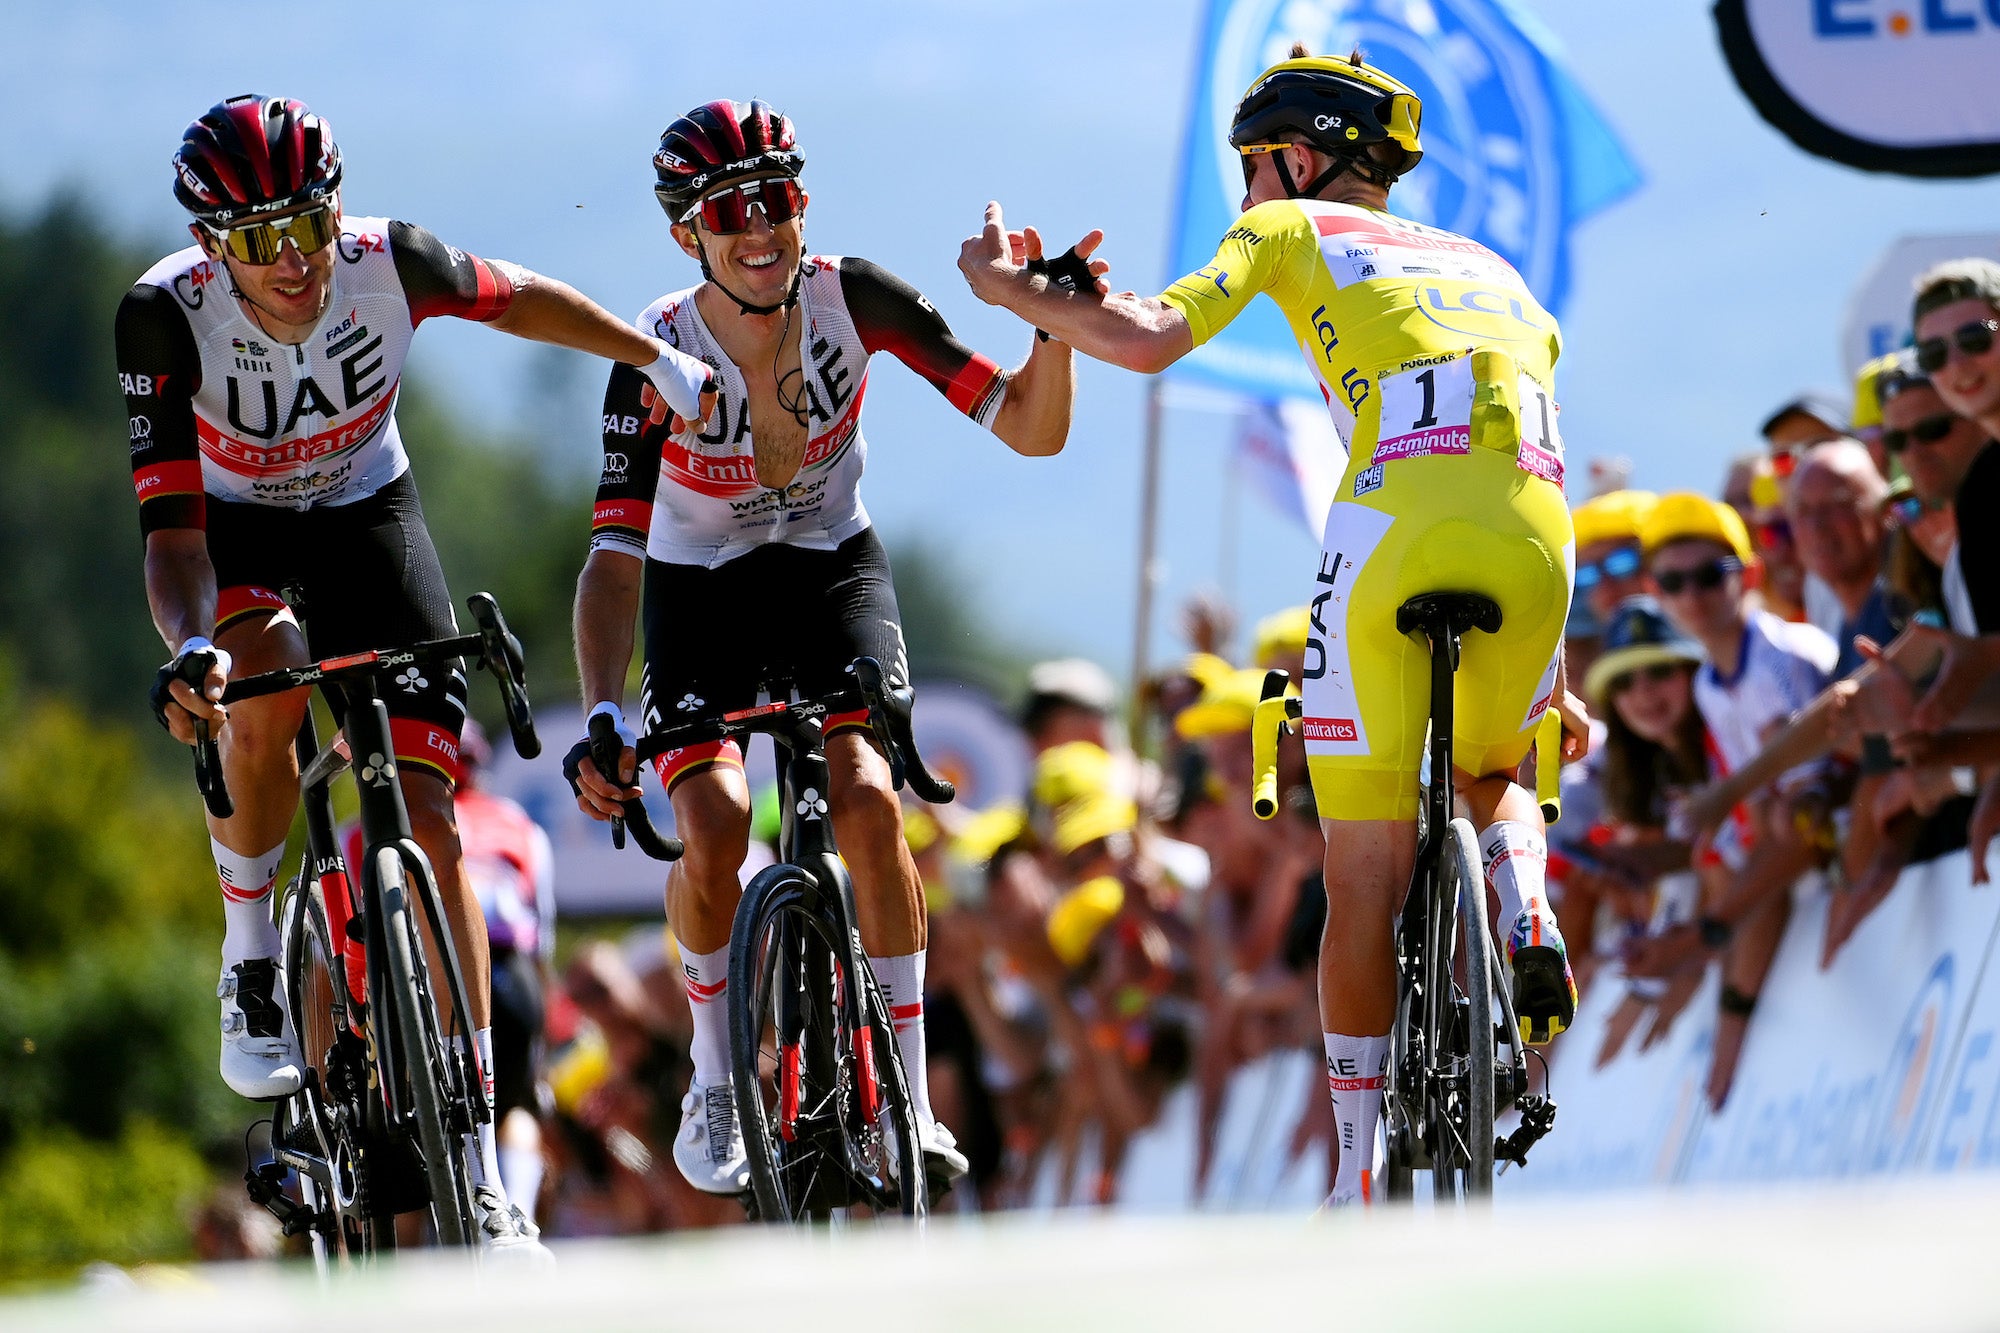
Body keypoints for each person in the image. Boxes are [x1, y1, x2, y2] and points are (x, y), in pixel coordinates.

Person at [957, 46, 1589, 1208]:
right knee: (1496, 767)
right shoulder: (1496, 269)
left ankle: (1353, 1167)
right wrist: (1556, 682)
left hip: (1399, 507)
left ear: (1296, 159)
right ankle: (1525, 903)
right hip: (1538, 521)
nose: (1247, 194)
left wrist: (1012, 295)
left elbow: (1147, 336)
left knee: (1361, 874)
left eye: (1252, 170)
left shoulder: (1289, 229)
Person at [123, 94, 716, 1252]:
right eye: (254, 243)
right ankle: (250, 958)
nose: (289, 264)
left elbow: (524, 300)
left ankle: (483, 1166)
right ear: (209, 246)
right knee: (270, 681)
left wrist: (653, 356)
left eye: (305, 227)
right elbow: (174, 537)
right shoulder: (161, 317)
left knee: (435, 825)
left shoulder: (390, 262)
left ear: (335, 209)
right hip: (235, 533)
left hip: (365, 513)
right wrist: (191, 648)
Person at [566, 99, 1074, 1196]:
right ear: (685, 236)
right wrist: (604, 709)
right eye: (726, 212)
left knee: (870, 801)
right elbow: (610, 560)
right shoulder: (652, 356)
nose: (758, 230)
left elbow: (1031, 429)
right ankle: (715, 1075)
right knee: (705, 820)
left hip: (829, 563)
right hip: (696, 586)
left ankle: (905, 1095)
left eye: (777, 202)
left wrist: (1050, 325)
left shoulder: (858, 299)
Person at [1623, 494, 1836, 1108]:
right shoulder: (1710, 682)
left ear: (1749, 575)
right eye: (1672, 581)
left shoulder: (1776, 659)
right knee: (1738, 841)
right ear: (1656, 593)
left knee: (1771, 823)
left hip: (1835, 834)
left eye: (1708, 576)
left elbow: (1803, 817)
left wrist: (1700, 937)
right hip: (1790, 855)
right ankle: (1716, 985)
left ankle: (1707, 961)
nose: (1691, 596)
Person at [339, 721, 556, 1223]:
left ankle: (418, 1268)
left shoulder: (359, 832)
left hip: (409, 975)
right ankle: (512, 1216)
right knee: (514, 1108)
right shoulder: (521, 825)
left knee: (404, 1128)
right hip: (504, 970)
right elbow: (541, 935)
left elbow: (352, 932)